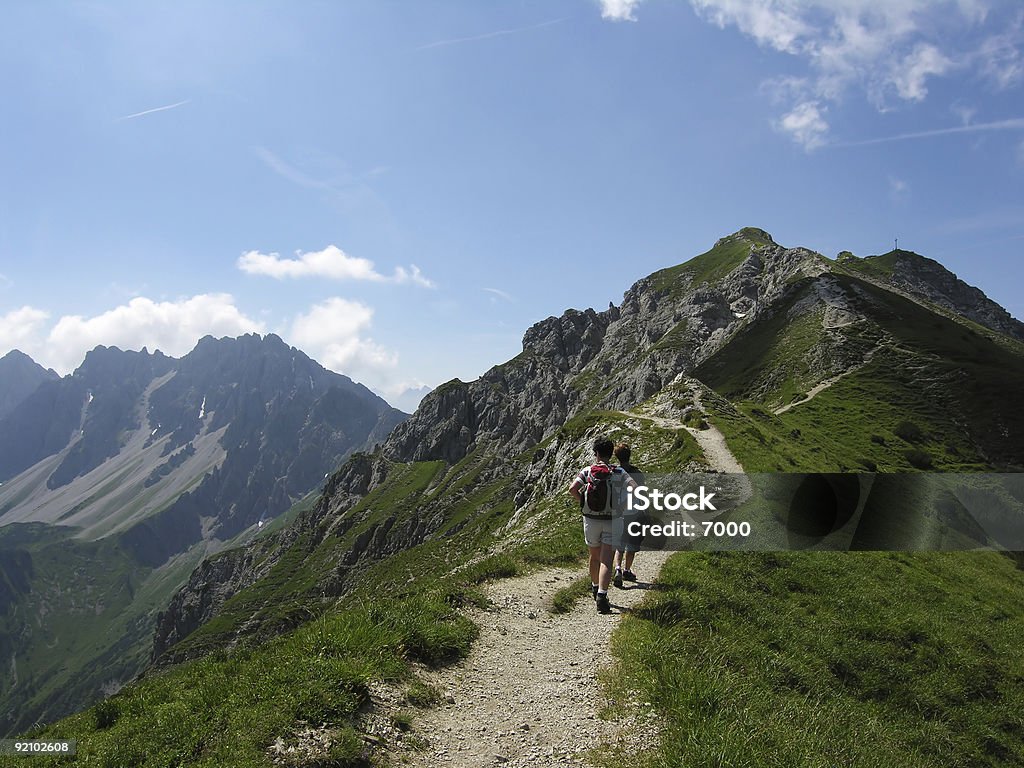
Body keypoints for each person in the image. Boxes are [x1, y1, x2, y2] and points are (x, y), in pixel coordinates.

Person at [569, 437, 637, 614]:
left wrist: (583, 502)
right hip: (613, 520)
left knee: (594, 556)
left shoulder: (588, 470)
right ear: (611, 453)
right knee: (607, 559)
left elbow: (572, 489)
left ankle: (594, 586)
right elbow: (634, 488)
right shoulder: (619, 471)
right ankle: (602, 596)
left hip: (591, 519)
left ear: (596, 453)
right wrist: (623, 505)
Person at [611, 443, 646, 588]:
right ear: (629, 455)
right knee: (631, 544)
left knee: (619, 544)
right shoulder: (637, 472)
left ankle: (617, 568)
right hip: (634, 512)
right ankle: (627, 570)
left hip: (618, 512)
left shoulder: (614, 472)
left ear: (617, 457)